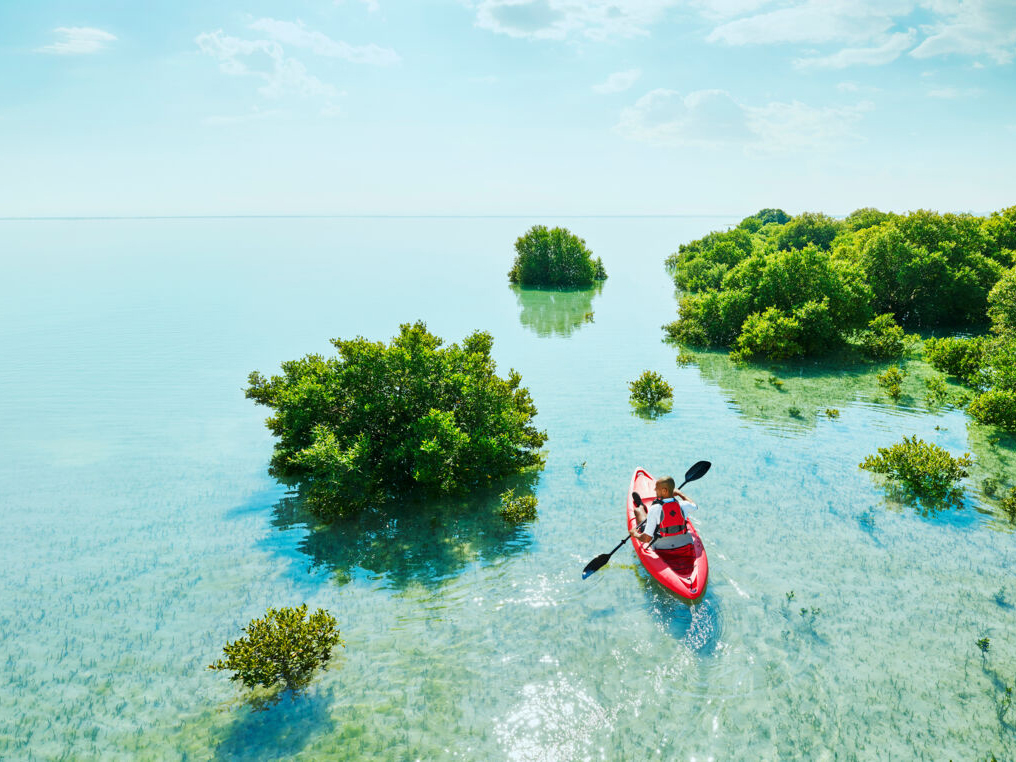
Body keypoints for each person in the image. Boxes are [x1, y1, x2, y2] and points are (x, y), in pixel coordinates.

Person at [629, 476, 695, 551]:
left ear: (664, 491)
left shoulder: (655, 508)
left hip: (661, 545)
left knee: (638, 511)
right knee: (652, 519)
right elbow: (694, 505)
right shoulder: (684, 505)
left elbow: (646, 539)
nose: (654, 489)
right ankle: (644, 510)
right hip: (684, 542)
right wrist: (680, 494)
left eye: (657, 488)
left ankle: (641, 506)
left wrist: (635, 534)